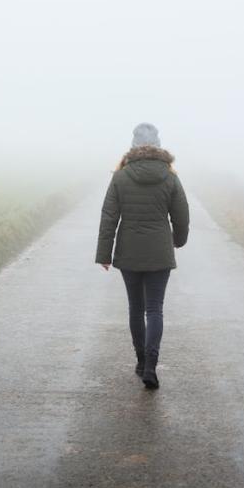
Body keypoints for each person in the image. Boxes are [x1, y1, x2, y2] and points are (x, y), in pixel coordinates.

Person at [95, 122, 190, 389]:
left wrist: (105, 253)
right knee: (154, 309)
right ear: (158, 144)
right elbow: (182, 216)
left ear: (133, 145)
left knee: (136, 309)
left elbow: (109, 216)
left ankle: (139, 362)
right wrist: (178, 241)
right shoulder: (170, 176)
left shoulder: (121, 176)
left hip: (129, 252)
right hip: (160, 252)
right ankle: (151, 364)